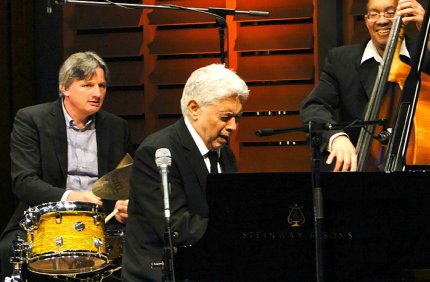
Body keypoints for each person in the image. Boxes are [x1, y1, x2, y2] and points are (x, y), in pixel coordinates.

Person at [0, 51, 132, 280]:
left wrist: (124, 206)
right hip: (45, 221)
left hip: (101, 223)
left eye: (101, 85)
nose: (97, 93)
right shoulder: (32, 120)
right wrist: (71, 196)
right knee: (8, 250)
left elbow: (124, 183)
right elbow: (24, 182)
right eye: (87, 85)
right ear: (65, 87)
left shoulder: (116, 127)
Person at [300, 0, 430, 172]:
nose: (381, 20)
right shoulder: (341, 60)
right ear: (367, 19)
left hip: (419, 171)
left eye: (390, 13)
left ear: (404, 16)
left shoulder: (426, 54)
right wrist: (336, 138)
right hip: (364, 171)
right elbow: (313, 106)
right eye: (374, 14)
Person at [121, 64, 249, 281]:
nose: (233, 126)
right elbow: (175, 225)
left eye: (237, 117)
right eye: (226, 117)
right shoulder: (157, 152)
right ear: (194, 109)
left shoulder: (226, 156)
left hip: (205, 267)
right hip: (161, 274)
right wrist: (239, 231)